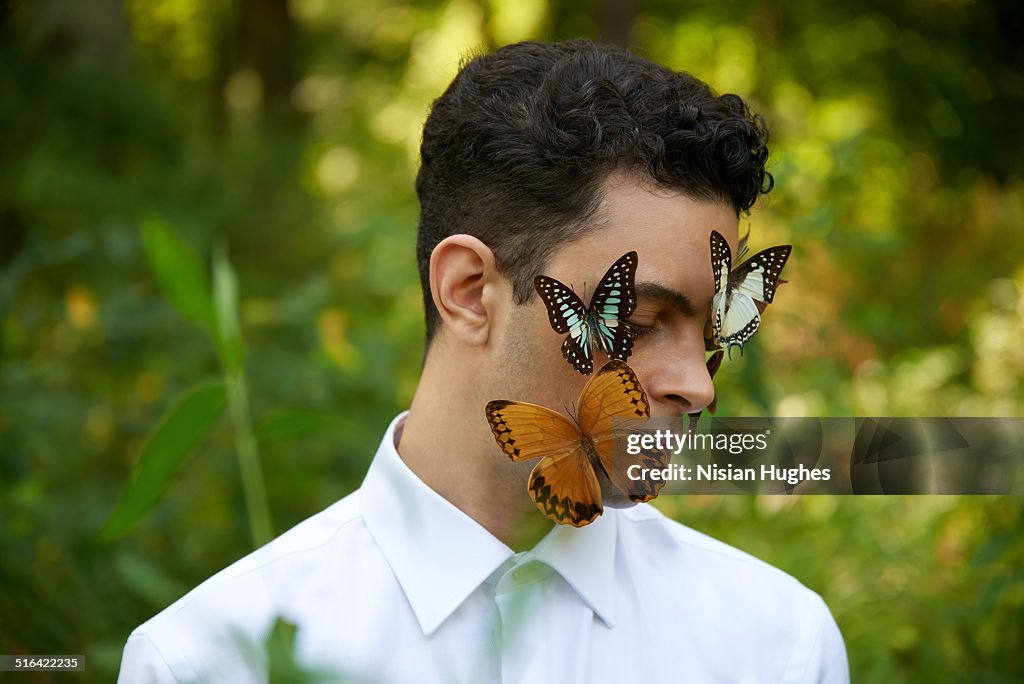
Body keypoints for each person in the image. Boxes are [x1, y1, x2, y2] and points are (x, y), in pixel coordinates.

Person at [118, 39, 849, 682]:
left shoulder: (774, 647)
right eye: (641, 320)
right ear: (469, 292)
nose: (696, 386)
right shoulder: (210, 661)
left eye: (710, 335)